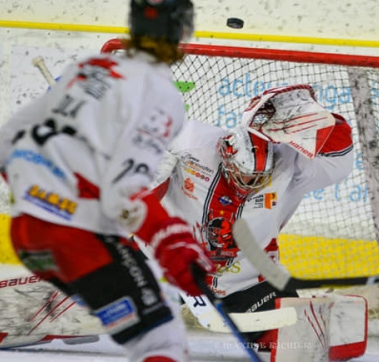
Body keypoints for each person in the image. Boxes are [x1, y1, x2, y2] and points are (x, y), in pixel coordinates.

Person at [0, 0, 215, 362]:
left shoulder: (86, 68)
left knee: (152, 325)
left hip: (27, 236)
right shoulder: (160, 95)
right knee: (160, 343)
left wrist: (41, 195)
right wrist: (172, 243)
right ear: (183, 30)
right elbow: (123, 193)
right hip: (78, 239)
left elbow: (1, 149)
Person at [152, 83, 358, 351]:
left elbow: (337, 162)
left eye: (257, 178)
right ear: (226, 155)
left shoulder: (287, 165)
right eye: (244, 175)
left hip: (245, 281)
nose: (249, 183)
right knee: (109, 293)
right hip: (168, 265)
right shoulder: (191, 143)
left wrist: (317, 124)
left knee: (297, 346)